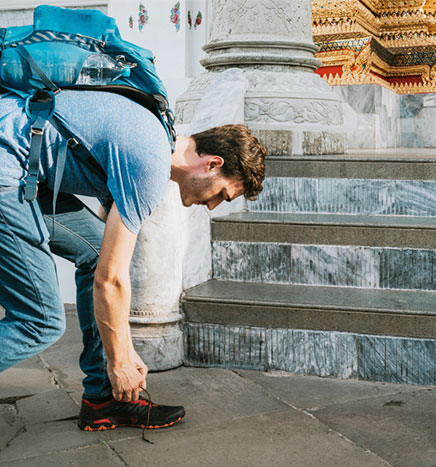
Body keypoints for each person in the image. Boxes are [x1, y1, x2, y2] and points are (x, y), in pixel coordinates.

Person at [0, 89, 266, 431]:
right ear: (213, 163)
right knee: (40, 321)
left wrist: (123, 351)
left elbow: (108, 262)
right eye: (221, 194)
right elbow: (110, 281)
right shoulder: (149, 163)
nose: (213, 205)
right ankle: (107, 386)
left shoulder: (155, 135)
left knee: (94, 253)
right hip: (9, 171)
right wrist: (119, 362)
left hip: (27, 173)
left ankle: (102, 400)